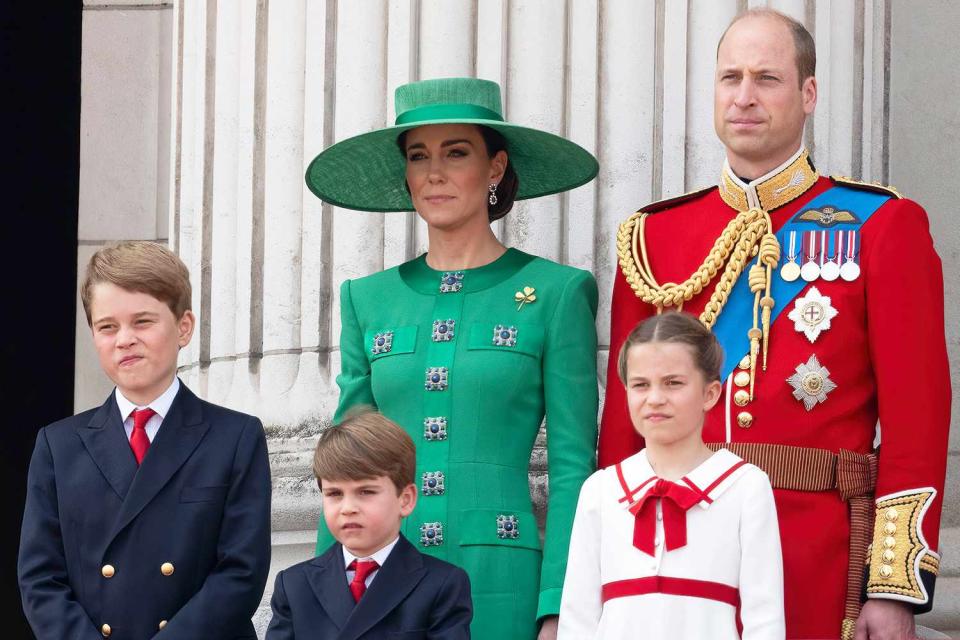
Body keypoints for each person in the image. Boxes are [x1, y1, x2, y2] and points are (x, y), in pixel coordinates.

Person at [598, 8, 950, 640]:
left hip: (815, 551)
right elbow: (624, 426)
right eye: (730, 77)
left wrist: (892, 584)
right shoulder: (653, 238)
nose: (745, 96)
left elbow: (916, 419)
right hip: (673, 548)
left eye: (767, 78)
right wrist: (608, 563)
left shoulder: (881, 225)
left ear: (808, 94)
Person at [304, 76, 600, 639]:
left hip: (502, 580)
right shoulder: (366, 299)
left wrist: (560, 602)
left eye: (456, 152)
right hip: (388, 572)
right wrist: (324, 597)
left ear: (495, 167)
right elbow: (346, 460)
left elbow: (572, 469)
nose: (434, 172)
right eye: (419, 156)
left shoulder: (557, 293)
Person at [18, 241, 272, 639]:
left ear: (183, 327)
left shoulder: (236, 437)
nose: (124, 339)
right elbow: (40, 578)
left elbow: (241, 572)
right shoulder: (57, 445)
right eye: (107, 327)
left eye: (142, 322)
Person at [559, 312, 784, 639]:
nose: (655, 399)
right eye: (640, 385)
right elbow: (577, 618)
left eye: (673, 383)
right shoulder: (601, 490)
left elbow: (765, 618)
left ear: (710, 394)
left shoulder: (745, 486)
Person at [266, 410, 473, 639]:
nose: (348, 508)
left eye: (366, 492)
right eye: (334, 493)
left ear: (405, 500)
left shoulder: (441, 584)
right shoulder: (294, 585)